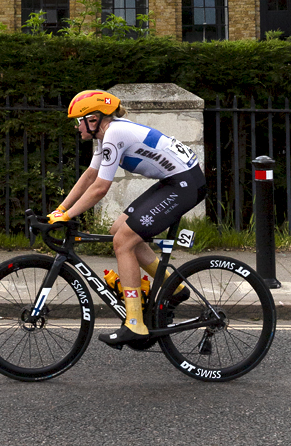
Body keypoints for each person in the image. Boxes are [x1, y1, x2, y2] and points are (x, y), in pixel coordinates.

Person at [48, 89, 206, 350]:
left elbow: (100, 188)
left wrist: (66, 215)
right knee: (118, 229)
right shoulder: (108, 135)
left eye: (79, 120)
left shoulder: (115, 134)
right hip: (175, 181)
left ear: (94, 119)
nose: (77, 127)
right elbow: (90, 175)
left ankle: (135, 323)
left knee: (123, 241)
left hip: (184, 184)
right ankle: (171, 286)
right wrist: (60, 210)